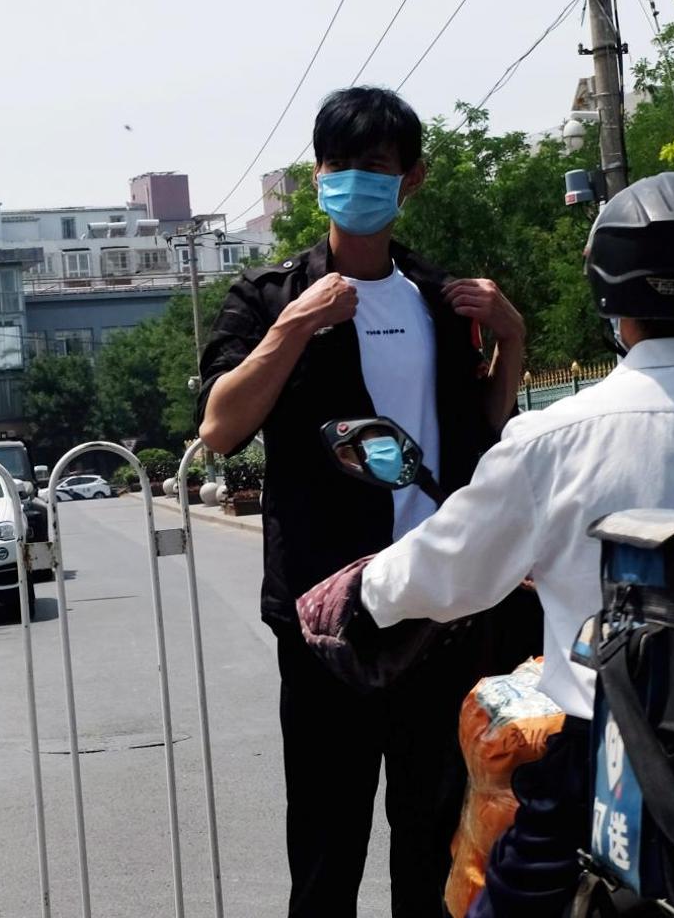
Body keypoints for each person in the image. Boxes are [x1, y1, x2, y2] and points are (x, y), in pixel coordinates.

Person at [298, 172, 674, 917]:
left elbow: (446, 571)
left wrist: (356, 592)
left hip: (607, 776)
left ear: (610, 290)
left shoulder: (553, 440)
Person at [196, 86, 527, 917]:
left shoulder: (441, 301)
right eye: (340, 168)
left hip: (437, 603)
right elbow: (222, 427)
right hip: (326, 613)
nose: (356, 183)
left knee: (432, 834)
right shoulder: (269, 298)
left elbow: (477, 438)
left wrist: (512, 342)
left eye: (376, 168)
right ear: (318, 179)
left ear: (410, 179)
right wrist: (294, 327)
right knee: (325, 837)